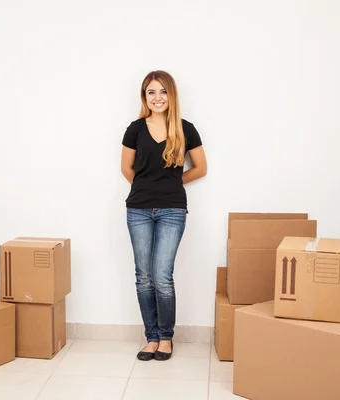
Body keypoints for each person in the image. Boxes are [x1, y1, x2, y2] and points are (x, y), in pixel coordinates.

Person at [120, 70, 207, 361]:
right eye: (151, 93)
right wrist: (148, 188)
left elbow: (200, 168)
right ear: (145, 97)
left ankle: (166, 337)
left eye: (162, 92)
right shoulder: (134, 128)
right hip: (139, 209)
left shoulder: (186, 128)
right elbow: (126, 170)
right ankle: (152, 337)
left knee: (162, 275)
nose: (157, 98)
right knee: (143, 276)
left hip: (172, 209)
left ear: (171, 95)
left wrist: (170, 185)